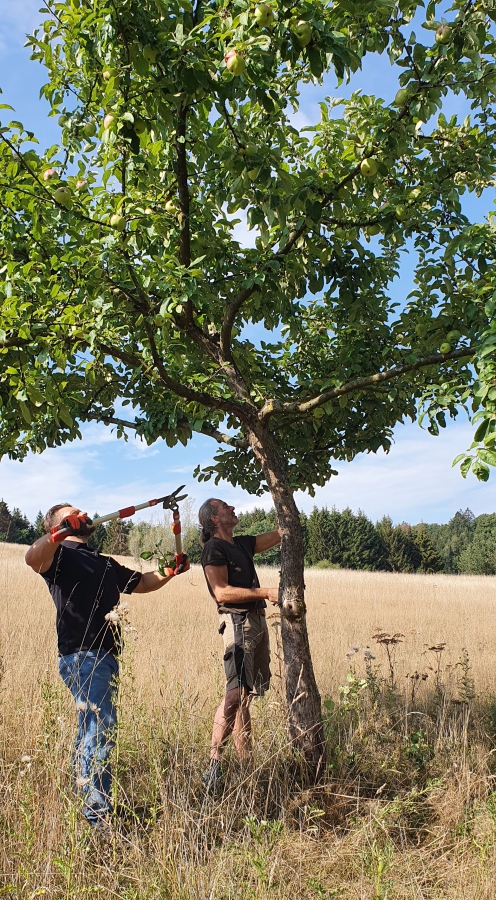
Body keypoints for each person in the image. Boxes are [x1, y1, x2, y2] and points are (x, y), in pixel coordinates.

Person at [25, 503, 189, 833]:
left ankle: (89, 806)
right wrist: (59, 533)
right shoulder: (58, 556)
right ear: (60, 525)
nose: (84, 514)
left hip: (104, 655)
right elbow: (32, 558)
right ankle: (98, 817)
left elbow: (141, 583)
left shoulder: (101, 561)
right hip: (83, 655)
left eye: (81, 513)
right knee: (100, 730)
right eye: (74, 514)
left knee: (91, 729)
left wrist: (169, 571)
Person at [199, 498, 280, 791]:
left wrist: (289, 503)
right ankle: (214, 764)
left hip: (257, 620)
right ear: (214, 519)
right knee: (235, 693)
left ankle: (246, 760)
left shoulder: (243, 544)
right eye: (225, 507)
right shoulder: (214, 549)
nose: (232, 508)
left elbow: (280, 534)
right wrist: (266, 591)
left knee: (246, 695)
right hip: (239, 623)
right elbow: (221, 593)